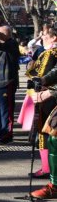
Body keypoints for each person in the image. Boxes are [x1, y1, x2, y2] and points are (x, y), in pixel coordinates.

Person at [23, 26, 57, 178]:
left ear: (54, 37)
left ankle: (48, 168)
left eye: (44, 35)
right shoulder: (46, 52)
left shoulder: (52, 52)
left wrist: (39, 79)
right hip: (46, 94)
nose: (41, 37)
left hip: (49, 97)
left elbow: (45, 74)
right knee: (43, 131)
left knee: (45, 131)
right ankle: (47, 167)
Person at [0, 25, 20, 144]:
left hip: (7, 83)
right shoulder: (2, 47)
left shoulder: (11, 44)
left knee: (6, 111)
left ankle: (7, 135)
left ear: (6, 34)